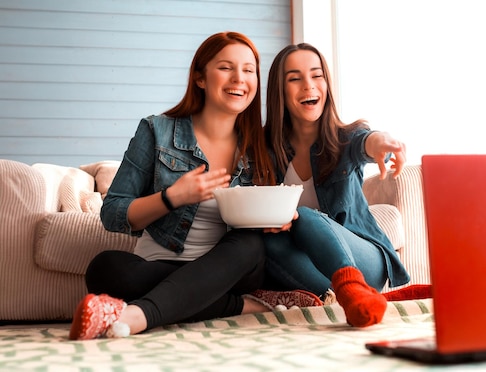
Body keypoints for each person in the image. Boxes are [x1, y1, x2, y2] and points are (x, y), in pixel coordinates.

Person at [69, 32, 322, 341]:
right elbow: (113, 212)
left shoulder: (261, 147)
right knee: (104, 268)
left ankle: (139, 315)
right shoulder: (156, 131)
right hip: (160, 263)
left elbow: (276, 210)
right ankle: (241, 306)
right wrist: (173, 197)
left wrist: (279, 220)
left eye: (248, 69)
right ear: (200, 78)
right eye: (226, 67)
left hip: (233, 267)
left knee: (251, 244)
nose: (239, 78)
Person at [262, 43, 428, 328]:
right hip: (314, 267)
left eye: (317, 76)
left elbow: (367, 140)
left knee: (306, 218)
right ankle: (339, 298)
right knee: (263, 244)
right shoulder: (264, 150)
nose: (308, 86)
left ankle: (354, 290)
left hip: (363, 260)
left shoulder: (345, 138)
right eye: (294, 78)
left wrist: (382, 144)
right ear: (279, 90)